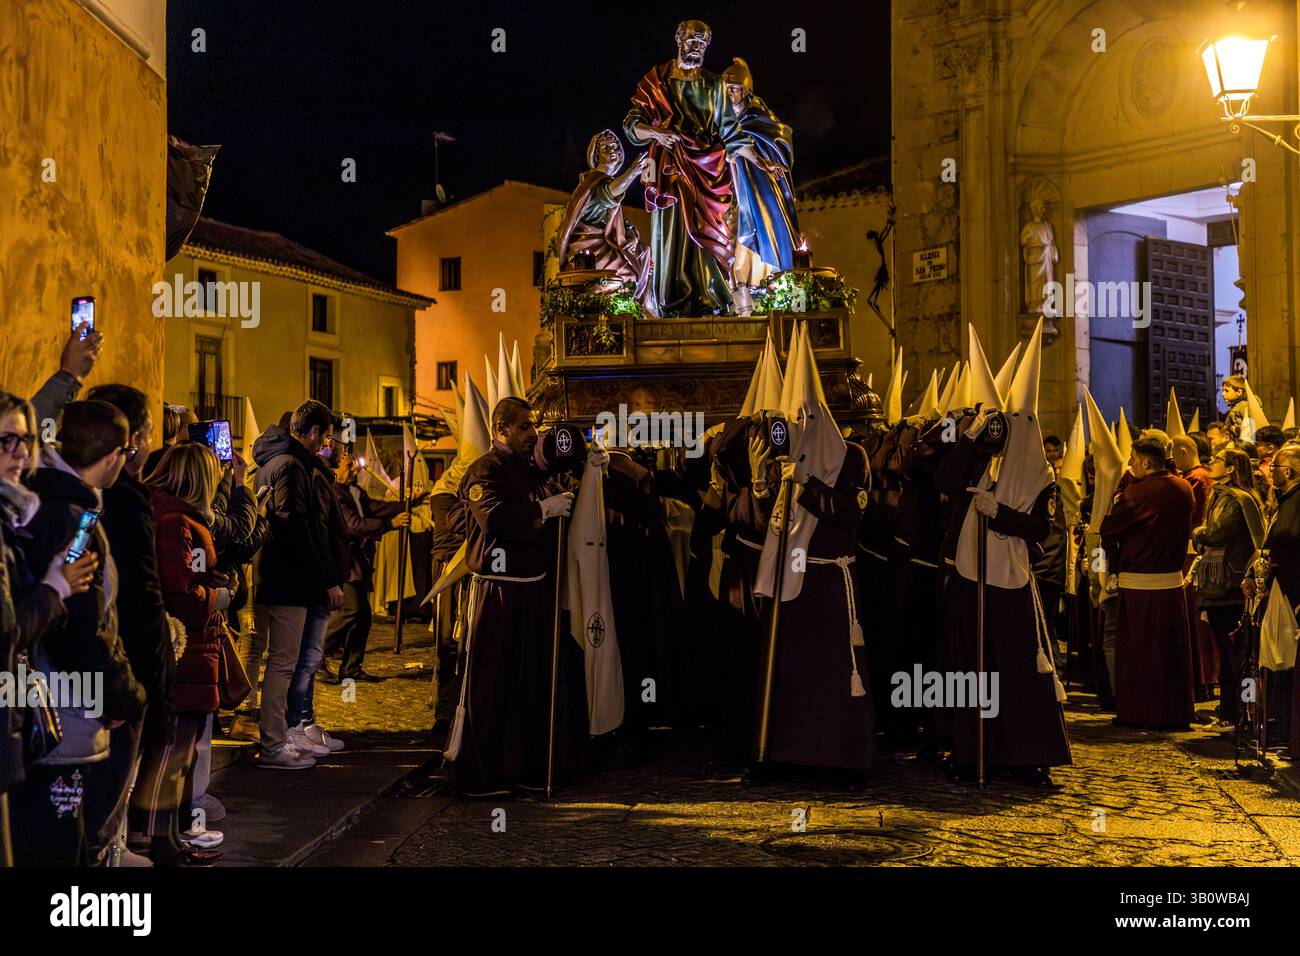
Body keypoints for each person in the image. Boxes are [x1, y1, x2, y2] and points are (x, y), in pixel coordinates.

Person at [12, 400, 146, 865]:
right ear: (113, 456)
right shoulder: (76, 522)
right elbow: (83, 630)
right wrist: (124, 698)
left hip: (41, 714)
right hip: (62, 724)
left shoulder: (38, 505)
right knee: (62, 846)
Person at [451, 397, 580, 798]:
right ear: (501, 428)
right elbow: (496, 519)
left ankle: (518, 765)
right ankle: (480, 775)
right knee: (491, 684)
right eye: (524, 426)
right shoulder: (484, 470)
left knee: (525, 684)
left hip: (531, 587)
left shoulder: (525, 469)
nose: (532, 434)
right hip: (498, 590)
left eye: (533, 426)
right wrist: (544, 509)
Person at [0, 391, 95, 863]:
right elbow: (6, 630)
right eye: (5, 441)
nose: (20, 453)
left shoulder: (14, 517)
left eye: (25, 440)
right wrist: (55, 589)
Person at [81, 384, 171, 867]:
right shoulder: (115, 505)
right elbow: (133, 603)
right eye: (149, 432)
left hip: (113, 672)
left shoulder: (109, 501)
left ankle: (113, 847)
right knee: (106, 786)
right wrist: (137, 687)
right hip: (118, 673)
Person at [141, 443, 230, 865]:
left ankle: (171, 834)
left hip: (192, 647)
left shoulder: (172, 516)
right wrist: (219, 596)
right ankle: (162, 837)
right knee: (176, 747)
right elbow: (182, 591)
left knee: (180, 747)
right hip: (189, 647)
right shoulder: (177, 522)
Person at [251, 400, 343, 770]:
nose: (326, 444)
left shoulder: (276, 460)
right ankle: (274, 741)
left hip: (273, 576)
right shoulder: (291, 465)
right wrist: (324, 577)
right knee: (284, 664)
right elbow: (296, 527)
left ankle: (278, 735)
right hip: (287, 580)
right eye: (326, 436)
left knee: (280, 661)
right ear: (315, 432)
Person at [624, 19, 739, 316]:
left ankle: (709, 299)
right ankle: (672, 301)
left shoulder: (715, 85)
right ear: (678, 39)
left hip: (708, 172)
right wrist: (656, 133)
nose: (697, 47)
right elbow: (632, 126)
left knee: (707, 236)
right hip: (670, 170)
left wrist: (758, 164)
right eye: (692, 41)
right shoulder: (656, 81)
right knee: (672, 233)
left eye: (702, 43)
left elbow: (731, 133)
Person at [1100, 430, 1196, 729]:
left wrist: (1113, 566)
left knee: (1139, 653)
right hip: (1170, 583)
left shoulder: (1137, 494)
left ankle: (1140, 711)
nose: (1130, 465)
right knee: (1169, 653)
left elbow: (1109, 529)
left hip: (1138, 583)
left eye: (1132, 461)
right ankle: (1173, 712)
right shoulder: (1184, 488)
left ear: (1144, 463)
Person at [323, 442, 411, 683]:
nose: (355, 470)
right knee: (351, 611)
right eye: (348, 466)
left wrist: (407, 504)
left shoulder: (355, 492)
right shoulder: (335, 494)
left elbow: (375, 507)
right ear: (335, 469)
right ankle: (317, 655)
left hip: (360, 562)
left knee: (364, 616)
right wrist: (390, 525)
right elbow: (353, 525)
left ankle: (351, 668)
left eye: (354, 466)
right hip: (345, 563)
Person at [1191, 447, 1265, 729]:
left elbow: (1215, 533)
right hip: (1220, 586)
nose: (1212, 463)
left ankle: (1238, 714)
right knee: (1227, 651)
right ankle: (1228, 714)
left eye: (1219, 460)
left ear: (1232, 468)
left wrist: (1200, 533)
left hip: (1231, 585)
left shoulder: (1237, 500)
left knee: (1236, 652)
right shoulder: (1221, 496)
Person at [721, 56, 800, 314]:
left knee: (759, 244)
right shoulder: (721, 122)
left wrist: (743, 152)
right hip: (731, 196)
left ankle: (770, 299)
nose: (730, 94)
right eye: (726, 90)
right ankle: (739, 307)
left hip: (756, 195)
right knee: (730, 249)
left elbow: (780, 140)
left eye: (734, 89)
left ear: (746, 90)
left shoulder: (758, 118)